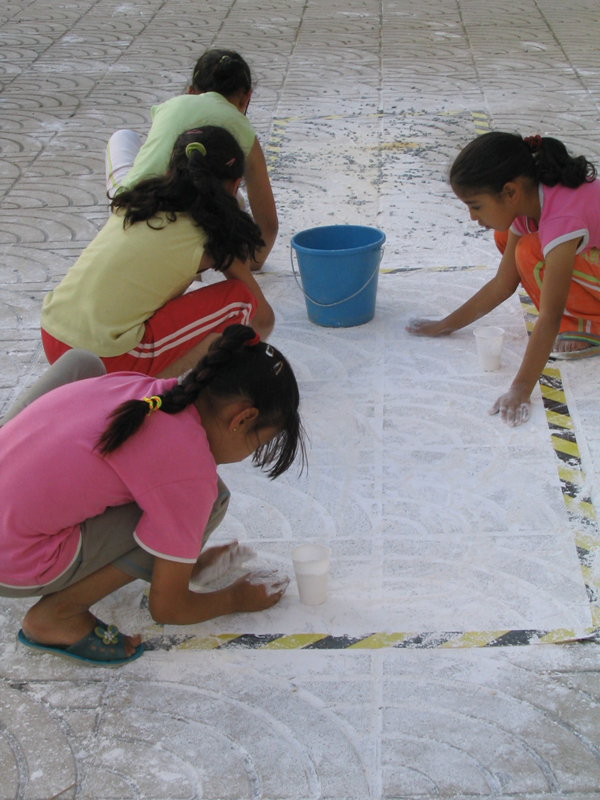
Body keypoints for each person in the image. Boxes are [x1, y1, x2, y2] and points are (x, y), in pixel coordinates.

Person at [0, 325, 306, 667]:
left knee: (81, 363)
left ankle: (172, 560)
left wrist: (187, 560)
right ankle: (58, 616)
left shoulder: (144, 391)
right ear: (242, 419)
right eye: (259, 443)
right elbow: (169, 608)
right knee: (208, 502)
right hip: (12, 559)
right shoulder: (190, 472)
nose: (252, 452)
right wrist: (235, 599)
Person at [41, 127, 275, 378]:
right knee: (239, 298)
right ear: (233, 187)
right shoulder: (209, 237)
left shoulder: (137, 202)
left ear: (170, 169)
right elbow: (262, 317)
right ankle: (147, 390)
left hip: (54, 336)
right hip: (106, 358)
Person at [407, 131, 600, 426]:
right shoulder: (528, 201)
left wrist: (520, 389)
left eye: (476, 205)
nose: (472, 217)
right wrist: (444, 325)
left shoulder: (561, 221)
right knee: (511, 241)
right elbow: (503, 283)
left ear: (510, 192)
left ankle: (592, 326)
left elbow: (549, 315)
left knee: (530, 251)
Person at [105, 49, 277, 271]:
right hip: (195, 239)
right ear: (246, 98)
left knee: (123, 137)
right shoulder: (244, 132)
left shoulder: (172, 106)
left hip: (131, 212)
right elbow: (268, 226)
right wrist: (251, 262)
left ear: (190, 92)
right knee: (231, 193)